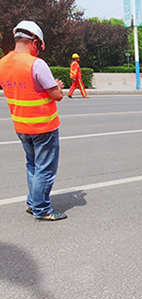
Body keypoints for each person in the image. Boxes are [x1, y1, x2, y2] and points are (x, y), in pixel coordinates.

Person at [0, 20, 67, 221]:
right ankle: (42, 208)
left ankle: (33, 202)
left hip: (21, 126)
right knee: (45, 169)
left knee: (32, 166)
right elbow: (57, 95)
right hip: (43, 126)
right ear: (35, 42)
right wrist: (57, 85)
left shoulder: (2, 63)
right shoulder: (36, 64)